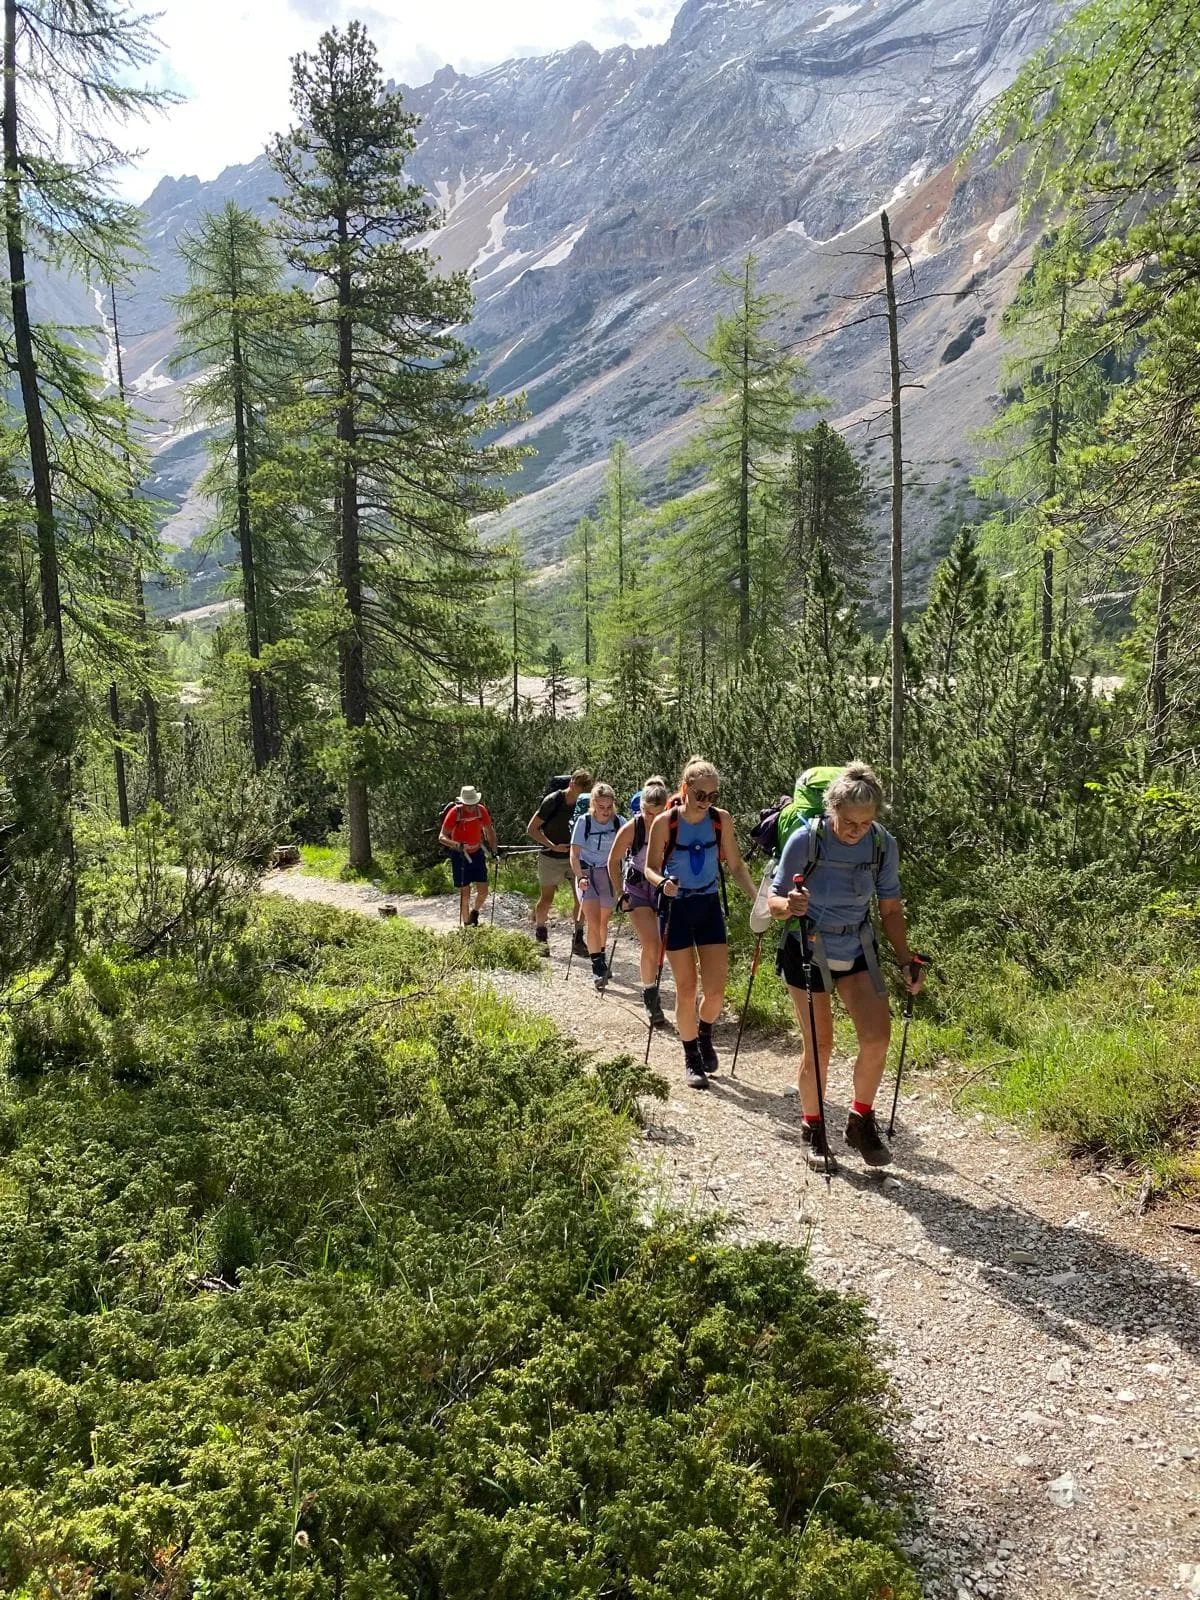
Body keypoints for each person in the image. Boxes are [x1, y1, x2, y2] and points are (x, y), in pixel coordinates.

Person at [767, 761, 925, 1172]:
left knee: (876, 1038)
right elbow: (774, 901)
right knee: (819, 1045)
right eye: (850, 823)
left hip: (856, 945)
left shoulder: (881, 844)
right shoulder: (806, 839)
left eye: (865, 822)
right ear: (832, 810)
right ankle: (812, 1128)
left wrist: (906, 959)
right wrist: (790, 905)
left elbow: (890, 909)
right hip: (806, 946)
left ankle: (860, 1120)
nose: (857, 831)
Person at [643, 757, 758, 1090]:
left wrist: (757, 899)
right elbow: (650, 868)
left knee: (717, 991)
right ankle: (691, 1055)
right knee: (687, 988)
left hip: (708, 905)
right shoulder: (664, 822)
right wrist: (663, 882)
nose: (706, 802)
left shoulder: (721, 821)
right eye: (700, 795)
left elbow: (736, 866)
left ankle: (705, 1033)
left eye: (712, 795)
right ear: (685, 789)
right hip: (675, 907)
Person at [607, 775, 670, 1025]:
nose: (653, 819)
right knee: (651, 944)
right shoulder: (633, 827)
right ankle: (650, 997)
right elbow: (612, 861)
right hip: (637, 888)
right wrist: (619, 894)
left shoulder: (673, 824)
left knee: (664, 948)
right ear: (641, 808)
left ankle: (652, 983)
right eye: (647, 813)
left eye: (658, 813)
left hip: (665, 887)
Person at [526, 767, 593, 954]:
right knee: (547, 899)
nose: (584, 795)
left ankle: (578, 939)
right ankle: (541, 936)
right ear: (572, 784)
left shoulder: (587, 803)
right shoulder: (553, 801)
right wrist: (551, 845)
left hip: (576, 858)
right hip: (550, 857)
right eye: (582, 790)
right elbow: (532, 829)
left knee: (581, 898)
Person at [570, 782, 625, 990]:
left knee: (603, 921)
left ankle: (600, 954)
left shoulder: (619, 822)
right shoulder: (584, 822)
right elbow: (574, 854)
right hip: (585, 873)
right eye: (601, 807)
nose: (605, 811)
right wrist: (579, 877)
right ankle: (597, 967)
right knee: (593, 921)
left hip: (608, 873)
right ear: (593, 804)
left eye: (609, 807)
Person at [439, 784, 497, 926]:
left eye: (473, 804)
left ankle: (474, 913)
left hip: (477, 853)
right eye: (468, 804)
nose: (471, 807)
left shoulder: (481, 811)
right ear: (462, 802)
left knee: (483, 891)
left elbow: (489, 831)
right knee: (465, 893)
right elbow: (441, 837)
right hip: (459, 855)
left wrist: (494, 851)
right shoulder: (454, 812)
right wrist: (457, 845)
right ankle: (467, 926)